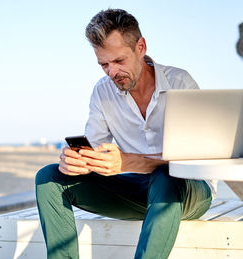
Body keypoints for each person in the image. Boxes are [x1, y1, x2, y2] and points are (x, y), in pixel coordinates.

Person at [35, 9, 215, 259]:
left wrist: (128, 161)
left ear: (140, 47)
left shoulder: (180, 82)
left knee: (167, 175)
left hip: (189, 191)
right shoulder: (102, 92)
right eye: (103, 64)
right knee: (49, 177)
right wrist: (78, 162)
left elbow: (198, 159)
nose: (111, 72)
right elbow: (94, 151)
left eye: (118, 61)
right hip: (137, 192)